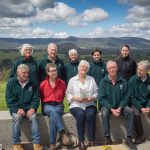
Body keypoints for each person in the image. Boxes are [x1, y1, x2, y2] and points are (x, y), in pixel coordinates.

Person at [98, 60, 137, 150]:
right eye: (110, 68)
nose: (112, 69)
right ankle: (108, 138)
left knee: (130, 112)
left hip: (120, 106)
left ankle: (129, 138)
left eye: (114, 67)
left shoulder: (123, 81)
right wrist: (111, 109)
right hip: (108, 107)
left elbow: (126, 97)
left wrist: (119, 108)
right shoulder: (103, 82)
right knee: (104, 113)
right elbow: (101, 98)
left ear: (117, 68)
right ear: (107, 70)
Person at [5, 64, 42, 150]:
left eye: (27, 73)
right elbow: (9, 99)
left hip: (29, 108)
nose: (26, 75)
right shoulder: (11, 83)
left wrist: (33, 108)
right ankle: (16, 144)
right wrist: (17, 109)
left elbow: (36, 98)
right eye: (24, 73)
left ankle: (36, 144)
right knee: (17, 118)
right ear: (18, 73)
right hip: (17, 108)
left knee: (33, 117)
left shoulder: (33, 83)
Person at [66, 60, 98, 150]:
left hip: (89, 103)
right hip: (76, 105)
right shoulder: (72, 80)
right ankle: (81, 141)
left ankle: (92, 141)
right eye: (82, 67)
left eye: (85, 67)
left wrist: (92, 97)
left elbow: (96, 93)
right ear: (78, 68)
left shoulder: (91, 79)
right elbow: (68, 94)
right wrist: (75, 98)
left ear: (87, 69)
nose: (83, 68)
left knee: (90, 115)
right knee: (80, 114)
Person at [39, 63, 68, 150]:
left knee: (53, 117)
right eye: (52, 71)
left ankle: (52, 144)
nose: (54, 72)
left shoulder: (62, 83)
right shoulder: (43, 84)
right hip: (47, 106)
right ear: (47, 72)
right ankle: (62, 132)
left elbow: (65, 95)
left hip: (59, 105)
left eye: (55, 70)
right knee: (53, 112)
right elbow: (40, 96)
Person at [129, 60, 150, 144]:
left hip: (147, 103)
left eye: (141, 70)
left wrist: (149, 106)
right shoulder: (132, 80)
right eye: (138, 69)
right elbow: (132, 97)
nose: (138, 71)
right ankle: (140, 135)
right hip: (135, 104)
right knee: (136, 114)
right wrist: (141, 107)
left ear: (147, 71)